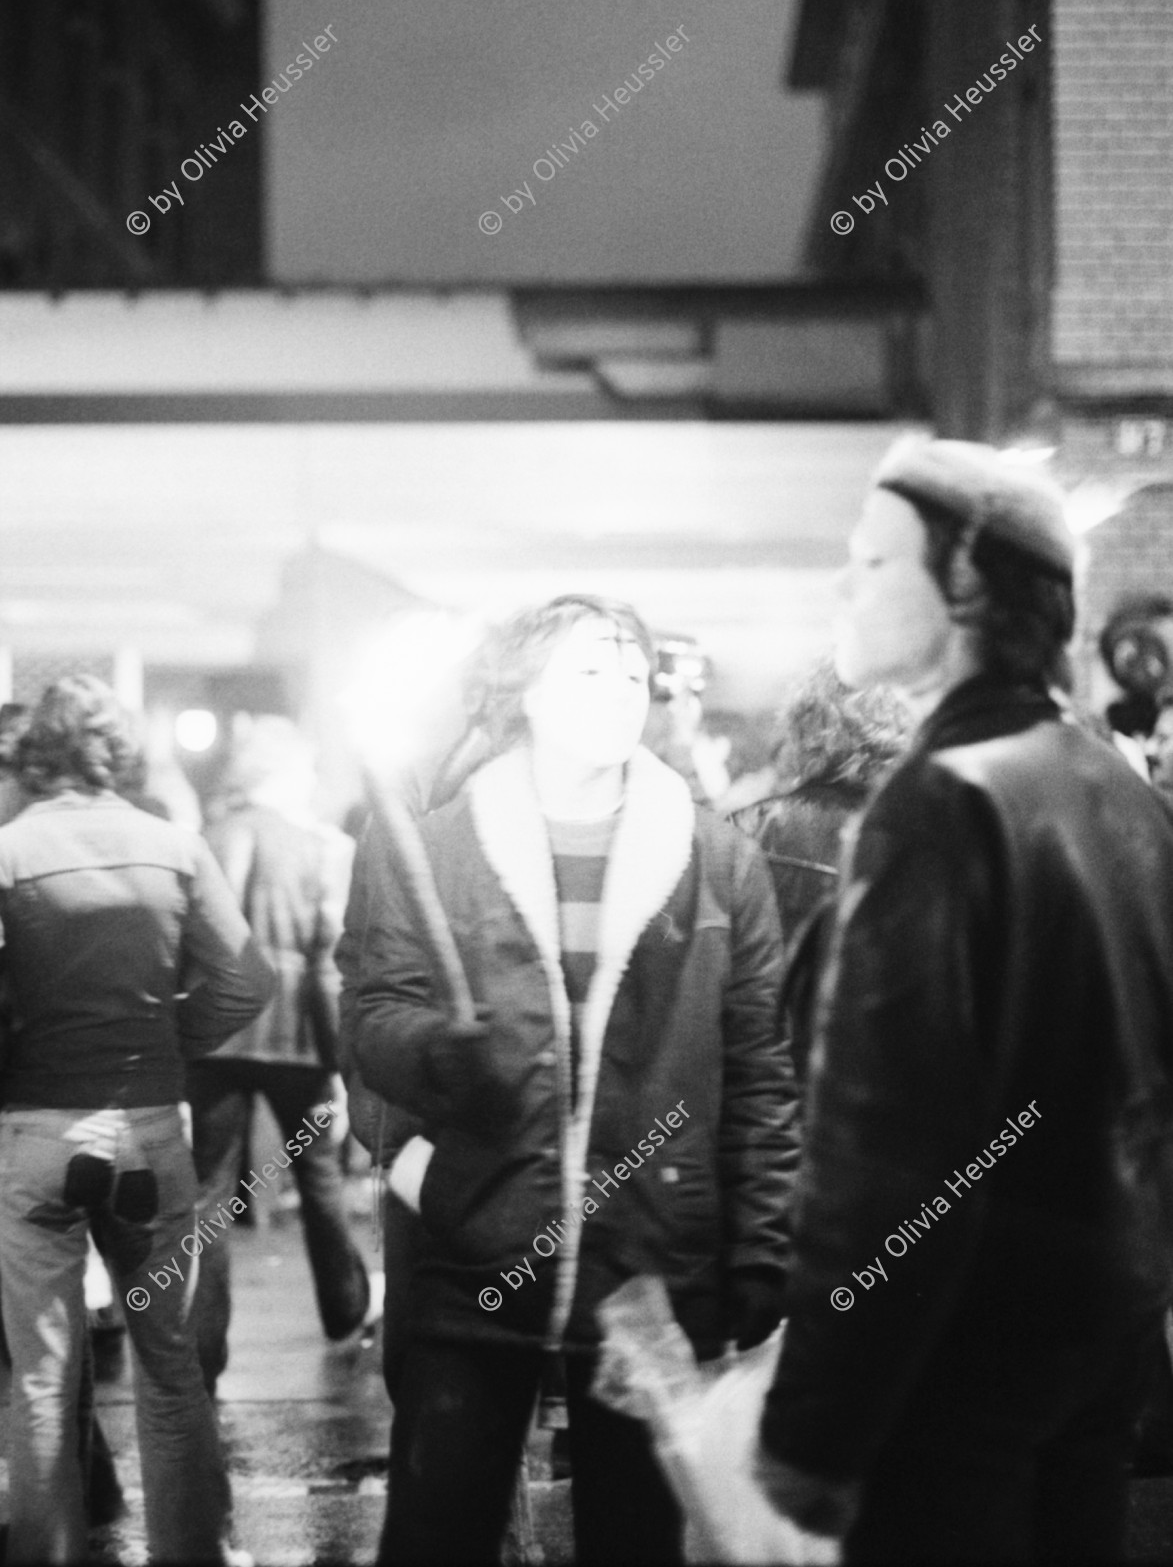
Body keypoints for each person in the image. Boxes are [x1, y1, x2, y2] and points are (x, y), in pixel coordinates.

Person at [755, 438, 1173, 1565]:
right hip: (1100, 1337)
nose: (846, 586)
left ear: (970, 589)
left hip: (953, 1366)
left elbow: (884, 1152)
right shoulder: (1113, 787)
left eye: (874, 560)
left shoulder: (939, 804)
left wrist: (810, 1430)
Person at [346, 593, 799, 1565]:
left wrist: (761, 1243)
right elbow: (370, 1017)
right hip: (476, 1244)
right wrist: (430, 1084)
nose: (621, 690)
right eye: (590, 669)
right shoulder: (439, 847)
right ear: (527, 695)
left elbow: (760, 1068)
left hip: (650, 1254)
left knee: (636, 1537)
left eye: (634, 673)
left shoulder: (717, 856)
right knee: (439, 1528)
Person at [0, 675, 274, 1566]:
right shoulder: (176, 845)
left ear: (31, 754)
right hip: (150, 1136)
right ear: (120, 752)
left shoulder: (7, 851)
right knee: (168, 1369)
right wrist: (166, 1039)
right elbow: (246, 980)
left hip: (37, 1136)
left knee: (43, 1381)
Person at [187, 715, 373, 1392]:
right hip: (299, 1034)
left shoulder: (212, 836)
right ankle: (345, 1314)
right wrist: (340, 1059)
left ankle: (204, 1347)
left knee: (208, 1195)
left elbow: (197, 938)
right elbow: (331, 956)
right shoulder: (325, 846)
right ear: (285, 771)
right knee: (319, 1178)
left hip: (218, 1036)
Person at [728, 662, 911, 1084]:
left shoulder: (741, 832)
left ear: (804, 732)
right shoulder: (932, 841)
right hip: (879, 1094)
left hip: (761, 1084)